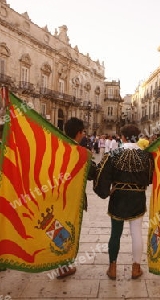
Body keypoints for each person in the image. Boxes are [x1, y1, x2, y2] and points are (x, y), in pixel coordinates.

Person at [93, 124, 154, 280]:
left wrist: (106, 191)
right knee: (136, 233)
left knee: (115, 233)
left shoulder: (113, 154)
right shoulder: (147, 157)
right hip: (138, 197)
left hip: (118, 196)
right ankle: (136, 268)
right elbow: (149, 178)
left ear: (123, 137)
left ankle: (112, 268)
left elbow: (102, 176)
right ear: (138, 137)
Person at [56, 117, 96, 280]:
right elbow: (91, 175)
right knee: (67, 230)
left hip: (56, 196)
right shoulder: (82, 153)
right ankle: (62, 265)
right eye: (83, 132)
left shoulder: (57, 148)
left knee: (58, 228)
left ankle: (59, 263)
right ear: (79, 133)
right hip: (73, 198)